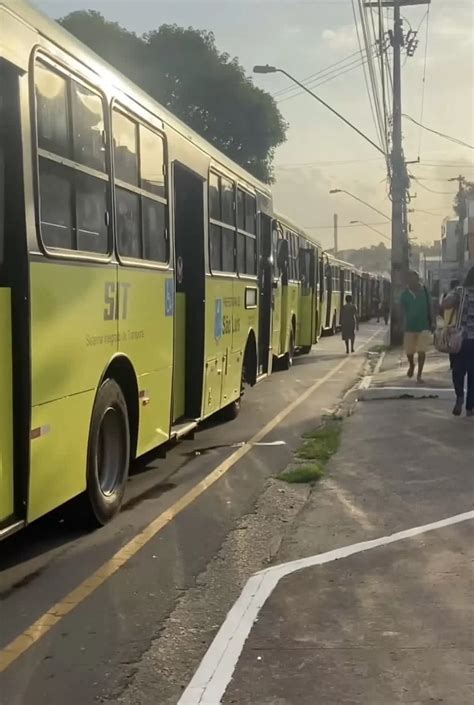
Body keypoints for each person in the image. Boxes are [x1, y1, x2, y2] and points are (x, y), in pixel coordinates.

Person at [441, 267, 474, 416]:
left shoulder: (460, 291)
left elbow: (445, 304)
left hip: (459, 339)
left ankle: (459, 395)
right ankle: (469, 408)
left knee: (458, 371)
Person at [400, 270, 433, 383]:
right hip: (409, 327)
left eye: (413, 279)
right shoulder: (404, 294)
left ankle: (419, 375)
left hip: (423, 326)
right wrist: (401, 324)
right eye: (409, 280)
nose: (411, 282)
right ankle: (411, 365)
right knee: (409, 352)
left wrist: (433, 322)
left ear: (417, 279)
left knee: (421, 351)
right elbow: (402, 310)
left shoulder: (425, 291)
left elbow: (430, 307)